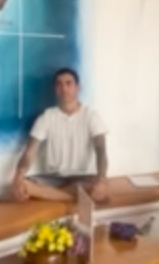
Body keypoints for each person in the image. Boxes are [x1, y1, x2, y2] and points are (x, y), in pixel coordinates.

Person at [11, 68, 110, 203]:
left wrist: (102, 180)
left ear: (77, 87)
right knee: (23, 184)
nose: (64, 88)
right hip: (53, 178)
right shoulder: (47, 116)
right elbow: (29, 152)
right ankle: (73, 196)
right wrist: (18, 177)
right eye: (59, 84)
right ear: (55, 89)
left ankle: (50, 195)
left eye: (69, 83)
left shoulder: (91, 116)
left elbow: (101, 151)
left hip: (84, 177)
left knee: (93, 187)